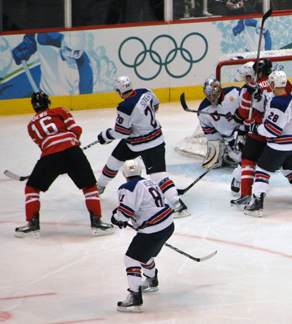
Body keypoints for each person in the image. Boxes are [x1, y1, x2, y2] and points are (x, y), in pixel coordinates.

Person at [14, 91, 114, 238]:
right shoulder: (60, 111)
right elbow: (76, 130)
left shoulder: (31, 126)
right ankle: (97, 223)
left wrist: (58, 165)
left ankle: (32, 224)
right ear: (47, 103)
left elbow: (44, 146)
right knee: (89, 186)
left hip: (50, 155)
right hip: (72, 151)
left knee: (32, 188)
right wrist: (72, 145)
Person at [230, 59, 292, 207]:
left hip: (266, 133)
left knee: (249, 160)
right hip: (291, 133)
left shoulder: (251, 89)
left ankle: (247, 195)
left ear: (258, 72)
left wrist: (240, 116)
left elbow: (245, 113)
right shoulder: (283, 84)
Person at [96, 75, 190, 218]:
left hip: (138, 142)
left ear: (118, 91)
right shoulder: (145, 91)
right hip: (153, 140)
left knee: (114, 164)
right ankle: (178, 205)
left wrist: (106, 135)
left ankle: (99, 188)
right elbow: (156, 106)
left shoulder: (125, 106)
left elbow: (122, 132)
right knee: (156, 174)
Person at [243, 71, 292, 217]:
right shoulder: (288, 97)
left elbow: (272, 130)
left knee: (262, 169)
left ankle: (256, 203)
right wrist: (257, 95)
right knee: (288, 167)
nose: (269, 86)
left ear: (274, 84)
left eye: (270, 84)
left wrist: (255, 128)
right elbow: (267, 100)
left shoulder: (278, 103)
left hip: (282, 145)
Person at [111, 159, 175, 312]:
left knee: (131, 259)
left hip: (152, 229)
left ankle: (135, 298)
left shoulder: (127, 187)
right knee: (145, 254)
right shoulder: (151, 183)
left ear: (124, 173)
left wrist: (117, 219)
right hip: (168, 224)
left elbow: (125, 213)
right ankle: (152, 280)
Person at [11, 31, 94, 96]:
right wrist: (28, 44)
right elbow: (36, 32)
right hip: (44, 96)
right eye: (68, 49)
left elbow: (85, 97)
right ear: (63, 43)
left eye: (76, 52)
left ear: (82, 50)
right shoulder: (47, 39)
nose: (71, 55)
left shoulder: (85, 69)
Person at [197, 78, 242, 168]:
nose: (212, 98)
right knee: (238, 157)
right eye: (209, 96)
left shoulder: (235, 92)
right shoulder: (203, 110)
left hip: (244, 131)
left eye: (213, 95)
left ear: (219, 91)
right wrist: (217, 146)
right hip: (230, 140)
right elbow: (210, 132)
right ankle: (228, 152)